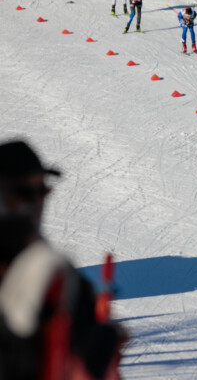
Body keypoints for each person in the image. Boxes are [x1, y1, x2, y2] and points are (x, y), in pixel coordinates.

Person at [0, 140, 124, 379]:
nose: (36, 203)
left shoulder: (62, 279)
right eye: (24, 193)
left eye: (42, 191)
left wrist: (102, 357)